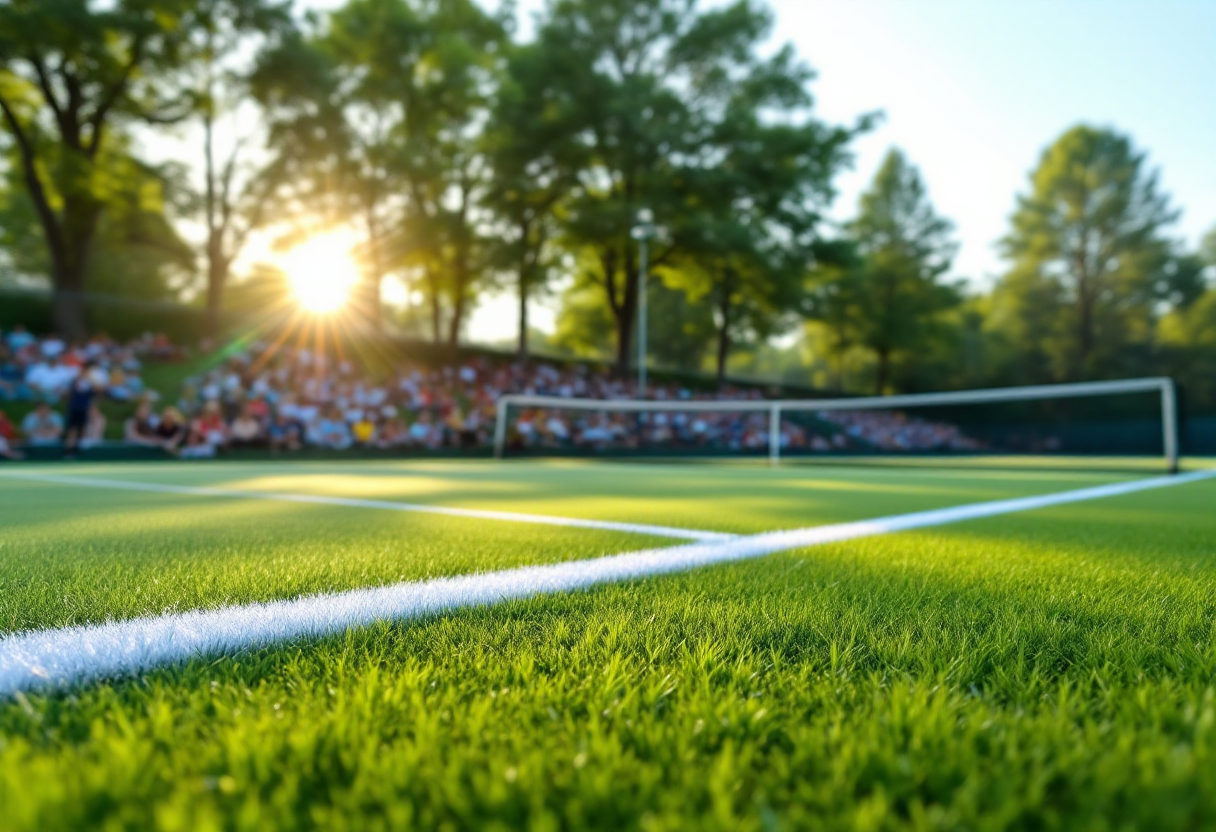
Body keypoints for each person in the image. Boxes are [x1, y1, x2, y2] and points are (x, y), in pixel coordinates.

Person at [63, 364, 98, 456]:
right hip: (74, 409)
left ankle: (81, 451)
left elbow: (94, 395)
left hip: (84, 409)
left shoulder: (90, 384)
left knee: (83, 429)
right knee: (72, 430)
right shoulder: (73, 382)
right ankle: (70, 451)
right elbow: (68, 395)